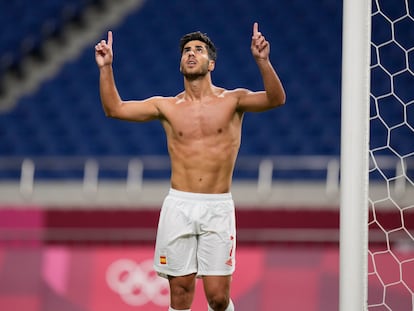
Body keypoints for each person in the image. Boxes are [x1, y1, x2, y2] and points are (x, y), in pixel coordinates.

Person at [95, 22, 285, 311]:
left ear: (212, 63)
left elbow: (275, 99)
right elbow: (115, 109)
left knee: (218, 298)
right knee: (181, 293)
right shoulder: (166, 106)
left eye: (198, 50)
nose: (191, 54)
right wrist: (106, 67)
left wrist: (263, 61)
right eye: (186, 51)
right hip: (179, 205)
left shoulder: (233, 100)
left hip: (218, 206)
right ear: (180, 62)